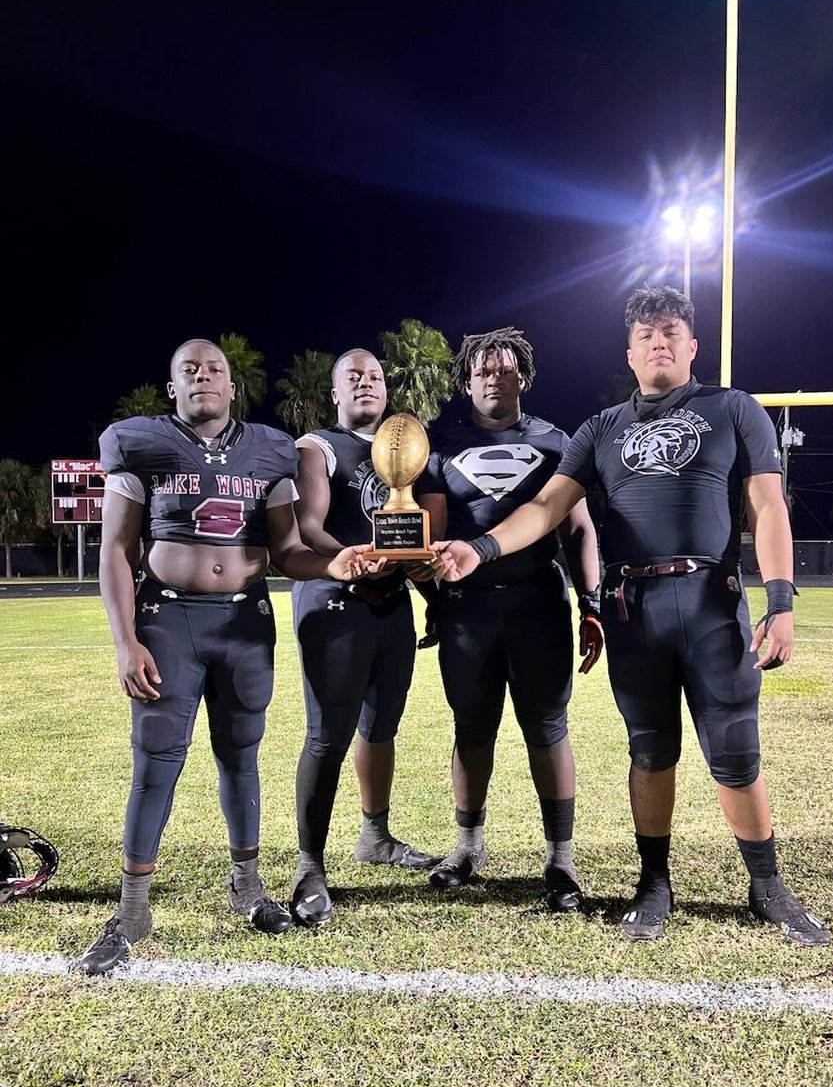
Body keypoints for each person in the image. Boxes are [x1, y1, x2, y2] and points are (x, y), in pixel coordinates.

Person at [433, 288, 832, 947]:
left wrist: (781, 601)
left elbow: (767, 507)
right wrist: (478, 548)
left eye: (671, 331)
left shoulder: (732, 409)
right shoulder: (600, 429)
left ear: (692, 344)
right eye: (646, 334)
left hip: (709, 599)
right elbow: (547, 509)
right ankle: (654, 883)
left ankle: (767, 887)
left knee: (735, 753)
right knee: (650, 750)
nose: (659, 342)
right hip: (633, 609)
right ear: (629, 351)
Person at [77, 339, 369, 975]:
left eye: (214, 370)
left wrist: (332, 562)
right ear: (173, 386)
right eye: (189, 370)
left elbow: (289, 550)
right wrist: (126, 641)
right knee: (157, 759)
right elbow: (116, 553)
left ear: (233, 387)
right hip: (168, 621)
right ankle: (131, 912)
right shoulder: (140, 442)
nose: (202, 377)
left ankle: (247, 886)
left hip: (243, 620)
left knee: (241, 756)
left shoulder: (269, 449)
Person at [416, 326, 602, 912]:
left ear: (524, 375)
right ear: (467, 379)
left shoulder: (555, 441)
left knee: (547, 727)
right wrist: (432, 599)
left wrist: (591, 605)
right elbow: (433, 533)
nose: (494, 377)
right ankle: (469, 846)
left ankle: (560, 857)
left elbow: (578, 528)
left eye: (505, 369)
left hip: (537, 604)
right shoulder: (438, 443)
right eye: (483, 370)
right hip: (468, 610)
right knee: (472, 728)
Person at [289, 349, 439, 927]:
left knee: (381, 728)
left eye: (374, 376)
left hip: (390, 604)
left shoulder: (403, 445)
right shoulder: (318, 446)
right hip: (336, 602)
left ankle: (374, 836)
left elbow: (413, 532)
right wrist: (349, 557)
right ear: (335, 393)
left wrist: (431, 593)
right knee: (327, 735)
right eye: (353, 378)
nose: (366, 385)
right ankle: (309, 863)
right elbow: (309, 526)